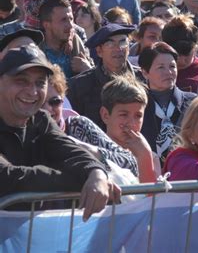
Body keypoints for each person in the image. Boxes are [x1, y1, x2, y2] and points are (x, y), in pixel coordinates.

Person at [0, 45, 120, 221]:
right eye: (21, 81)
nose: (32, 91)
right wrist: (82, 181)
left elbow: (71, 152)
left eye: (40, 82)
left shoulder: (41, 119)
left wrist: (96, 173)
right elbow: (9, 177)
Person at [41, 64, 139, 179]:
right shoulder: (22, 133)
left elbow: (131, 163)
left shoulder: (78, 125)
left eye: (55, 101)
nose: (47, 109)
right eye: (40, 102)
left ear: (63, 101)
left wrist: (79, 147)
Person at [67, 23, 140, 130]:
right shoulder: (79, 86)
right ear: (99, 51)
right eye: (110, 44)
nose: (118, 48)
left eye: (123, 42)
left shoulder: (143, 79)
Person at [138, 42, 196, 165]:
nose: (169, 72)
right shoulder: (136, 106)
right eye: (161, 67)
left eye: (172, 66)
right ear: (145, 72)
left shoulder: (194, 103)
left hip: (187, 172)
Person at [99, 75, 159, 183]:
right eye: (123, 114)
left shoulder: (150, 156)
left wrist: (144, 158)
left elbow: (153, 198)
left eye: (138, 116)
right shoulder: (94, 152)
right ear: (105, 115)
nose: (131, 123)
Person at [38, 0, 94, 78]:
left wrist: (87, 69)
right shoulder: (36, 51)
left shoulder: (77, 44)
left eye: (71, 19)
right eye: (63, 20)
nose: (71, 25)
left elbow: (96, 83)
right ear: (47, 25)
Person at [162, 15, 198, 93]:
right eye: (176, 54)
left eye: (187, 53)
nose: (181, 60)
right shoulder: (157, 70)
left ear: (195, 48)